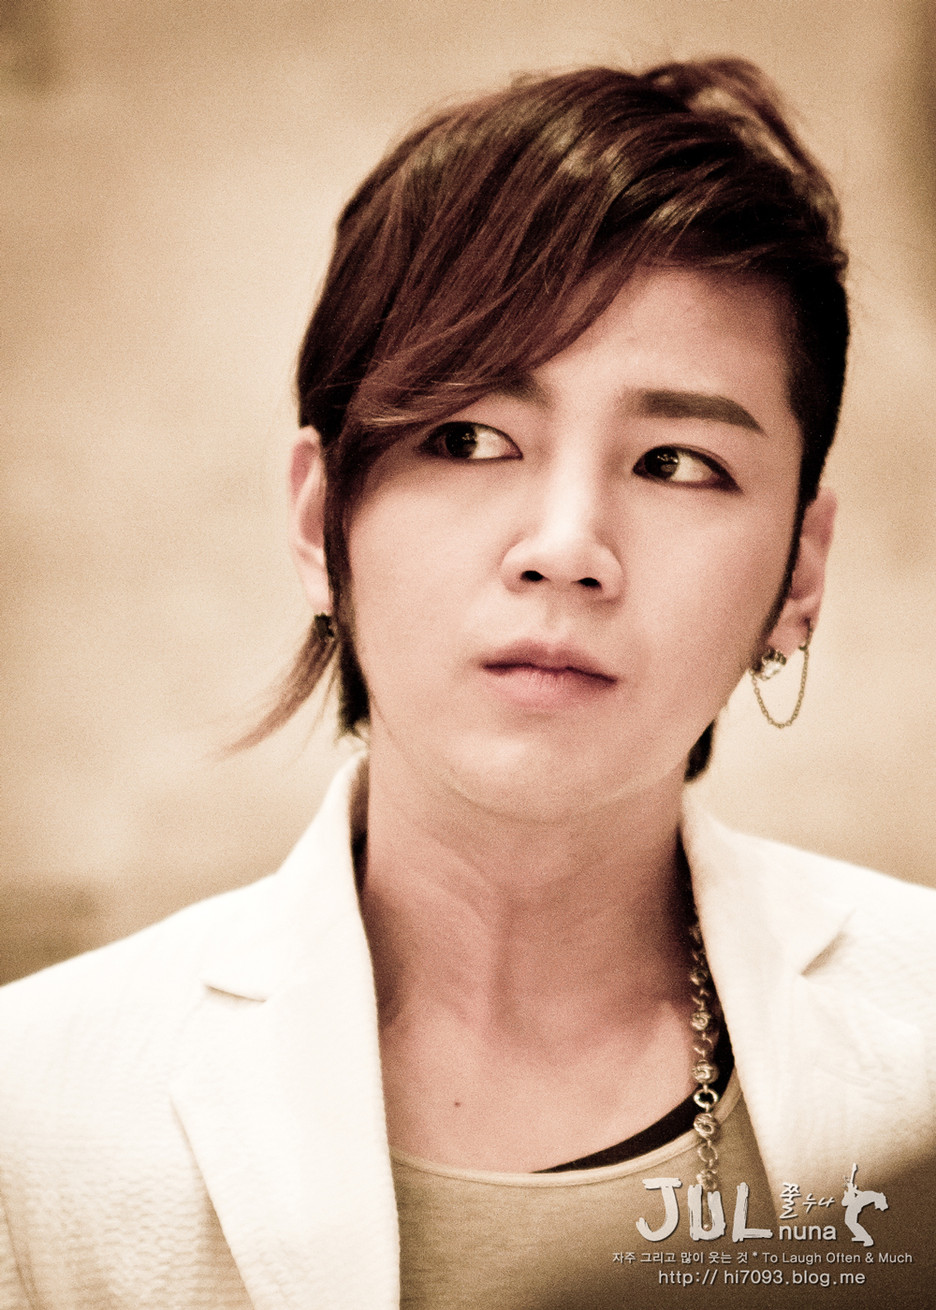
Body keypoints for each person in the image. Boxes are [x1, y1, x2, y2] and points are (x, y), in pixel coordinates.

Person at [0, 57, 934, 1310]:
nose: (567, 545)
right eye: (469, 438)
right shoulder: (36, 1113)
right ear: (322, 516)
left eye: (675, 461)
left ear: (800, 568)